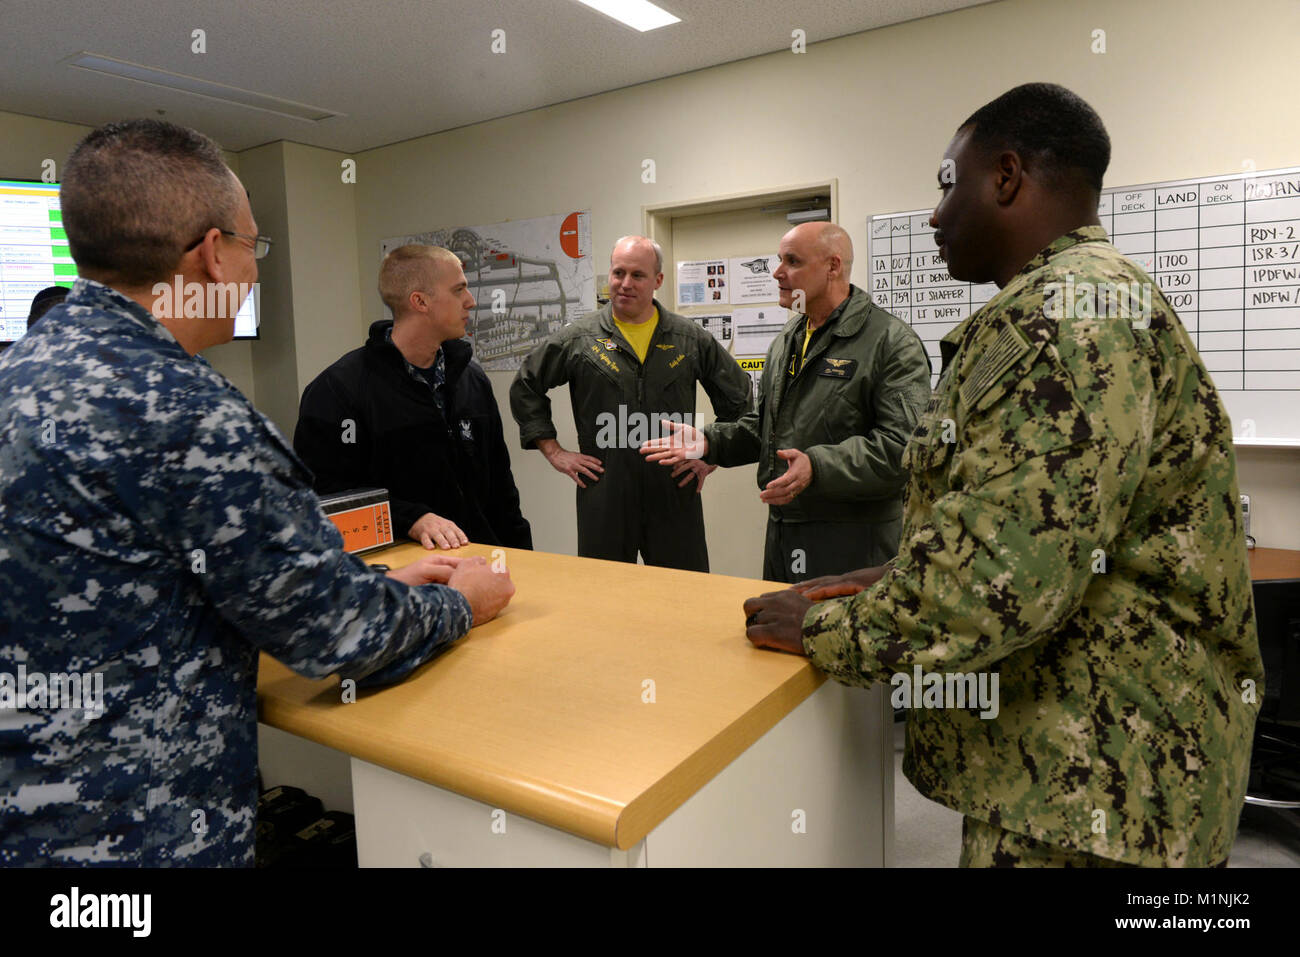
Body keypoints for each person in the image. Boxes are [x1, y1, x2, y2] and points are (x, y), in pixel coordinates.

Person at [739, 84, 1264, 867]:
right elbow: (1025, 521)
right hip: (1098, 769)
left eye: (949, 183)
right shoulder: (1084, 295)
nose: (933, 215)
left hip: (1101, 784)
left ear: (1008, 178)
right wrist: (881, 577)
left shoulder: (1063, 319)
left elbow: (1002, 580)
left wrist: (823, 629)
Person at [0, 119, 514, 867]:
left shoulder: (24, 370)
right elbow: (334, 637)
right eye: (254, 245)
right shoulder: (189, 413)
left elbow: (148, 576)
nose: (255, 268)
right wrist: (463, 601)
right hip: (137, 833)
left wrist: (363, 581)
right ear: (212, 254)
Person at [641, 222, 931, 583]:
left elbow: (905, 448)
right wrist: (710, 442)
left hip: (854, 545)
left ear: (833, 266)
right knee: (774, 634)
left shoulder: (890, 342)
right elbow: (767, 426)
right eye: (779, 260)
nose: (777, 273)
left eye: (792, 261)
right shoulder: (788, 339)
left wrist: (818, 466)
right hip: (784, 533)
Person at [510, 236, 751, 571]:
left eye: (637, 275)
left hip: (673, 491)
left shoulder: (689, 339)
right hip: (604, 493)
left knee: (683, 594)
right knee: (604, 595)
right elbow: (526, 385)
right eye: (617, 273)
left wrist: (711, 455)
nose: (624, 284)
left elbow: (741, 402)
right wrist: (554, 452)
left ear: (658, 280)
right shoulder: (580, 339)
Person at [294, 244, 532, 551]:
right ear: (420, 302)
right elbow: (326, 498)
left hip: (481, 560)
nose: (470, 302)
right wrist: (411, 518)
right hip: (400, 574)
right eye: (459, 290)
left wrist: (524, 560)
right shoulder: (339, 390)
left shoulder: (471, 380)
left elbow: (502, 489)